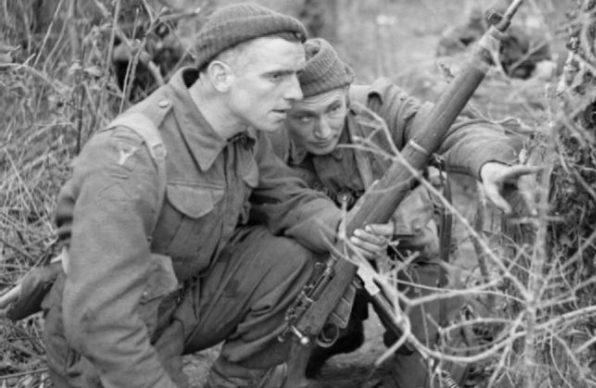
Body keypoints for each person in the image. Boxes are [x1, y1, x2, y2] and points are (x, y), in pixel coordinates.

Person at [41, 4, 393, 388]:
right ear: (222, 77)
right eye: (276, 76)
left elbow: (290, 201)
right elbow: (99, 320)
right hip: (106, 340)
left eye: (294, 75)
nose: (294, 93)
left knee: (298, 256)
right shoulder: (129, 157)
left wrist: (344, 229)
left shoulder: (242, 131)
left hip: (177, 305)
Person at [270, 38, 536, 388]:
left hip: (410, 258)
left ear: (347, 96)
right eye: (304, 117)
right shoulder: (268, 134)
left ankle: (434, 335)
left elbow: (453, 128)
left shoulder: (380, 109)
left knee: (422, 380)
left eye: (333, 110)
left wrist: (488, 164)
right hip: (325, 264)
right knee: (277, 371)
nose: (322, 130)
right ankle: (344, 329)